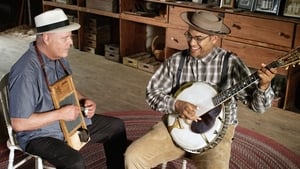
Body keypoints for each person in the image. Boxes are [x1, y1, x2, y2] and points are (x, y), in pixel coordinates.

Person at [124, 10, 277, 169]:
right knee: (133, 157)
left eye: (199, 38)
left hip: (217, 136)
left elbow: (259, 108)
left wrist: (264, 86)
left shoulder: (231, 63)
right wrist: (177, 105)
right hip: (176, 127)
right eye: (189, 36)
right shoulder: (176, 61)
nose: (191, 43)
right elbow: (152, 93)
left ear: (214, 38)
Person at [8, 8, 127, 169]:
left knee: (116, 127)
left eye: (70, 37)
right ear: (46, 38)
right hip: (37, 135)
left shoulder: (58, 58)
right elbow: (19, 124)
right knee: (75, 162)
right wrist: (59, 114)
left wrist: (83, 99)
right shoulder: (25, 72)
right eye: (65, 38)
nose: (71, 43)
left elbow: (67, 88)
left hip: (65, 122)